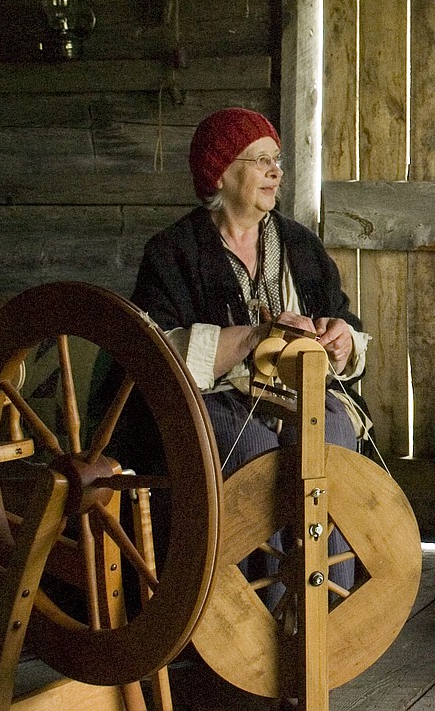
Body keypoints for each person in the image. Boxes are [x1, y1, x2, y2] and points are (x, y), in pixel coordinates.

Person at [129, 106, 371, 596]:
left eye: (276, 159)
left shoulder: (300, 246)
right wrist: (253, 337)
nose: (275, 171)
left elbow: (344, 321)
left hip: (297, 391)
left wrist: (341, 338)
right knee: (256, 450)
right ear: (221, 172)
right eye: (260, 160)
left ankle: (334, 614)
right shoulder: (173, 252)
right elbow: (156, 350)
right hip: (213, 397)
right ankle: (259, 620)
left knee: (334, 434)